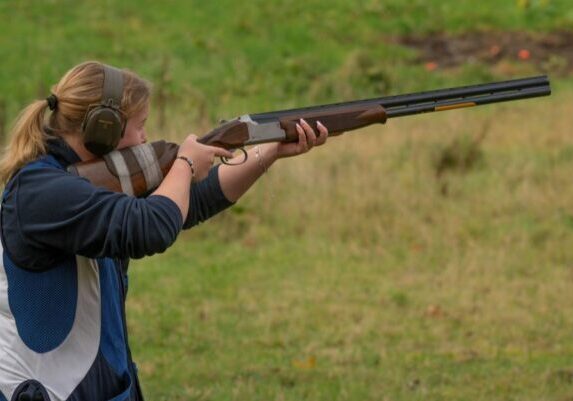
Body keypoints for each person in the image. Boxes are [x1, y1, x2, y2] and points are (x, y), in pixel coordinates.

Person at [0, 61, 328, 401]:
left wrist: (269, 149)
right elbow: (151, 226)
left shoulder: (80, 180)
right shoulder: (39, 192)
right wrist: (184, 164)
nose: (145, 137)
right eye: (140, 126)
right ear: (103, 128)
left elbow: (192, 202)